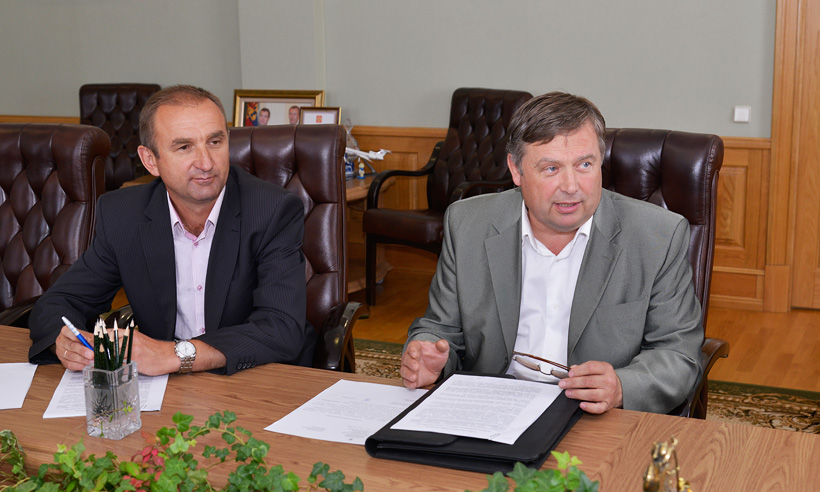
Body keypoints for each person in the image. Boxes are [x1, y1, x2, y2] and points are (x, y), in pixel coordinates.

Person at [400, 92, 703, 414]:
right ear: (516, 170)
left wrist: (622, 386)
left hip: (594, 415)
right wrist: (429, 357)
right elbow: (441, 329)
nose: (571, 186)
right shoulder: (468, 224)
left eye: (585, 165)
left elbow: (678, 355)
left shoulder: (657, 235)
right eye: (551, 168)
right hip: (490, 406)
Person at [28, 85, 315, 376]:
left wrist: (176, 355)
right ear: (150, 160)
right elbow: (58, 305)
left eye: (215, 141)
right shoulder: (123, 215)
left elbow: (281, 328)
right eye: (184, 147)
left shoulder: (272, 211)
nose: (206, 163)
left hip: (253, 377)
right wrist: (68, 344)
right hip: (165, 387)